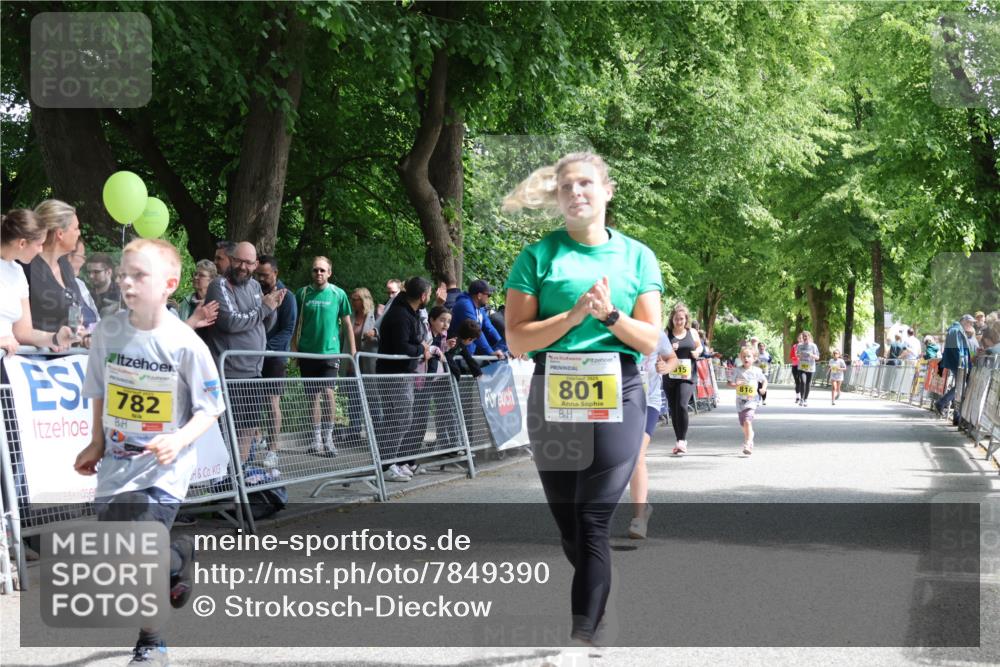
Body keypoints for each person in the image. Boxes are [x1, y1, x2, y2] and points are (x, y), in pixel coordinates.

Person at [503, 152, 663, 647]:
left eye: (587, 184)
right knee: (571, 524)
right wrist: (572, 318)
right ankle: (596, 588)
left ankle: (581, 638)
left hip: (619, 389)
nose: (577, 192)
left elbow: (650, 340)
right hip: (554, 392)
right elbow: (517, 339)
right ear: (558, 197)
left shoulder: (638, 256)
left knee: (594, 517)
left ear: (607, 191)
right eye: (567, 186)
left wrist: (611, 315)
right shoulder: (536, 257)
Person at [73, 238, 225, 667]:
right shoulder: (108, 331)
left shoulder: (184, 342)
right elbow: (101, 390)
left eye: (139, 274)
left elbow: (210, 407)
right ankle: (178, 556)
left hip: (163, 470)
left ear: (169, 284)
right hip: (116, 469)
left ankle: (151, 641)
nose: (127, 281)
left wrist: (178, 439)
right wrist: (96, 442)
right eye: (124, 273)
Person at [203, 242, 284, 463]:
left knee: (248, 430)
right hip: (230, 373)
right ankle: (223, 483)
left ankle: (238, 479)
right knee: (227, 433)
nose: (243, 267)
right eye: (239, 260)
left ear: (256, 264)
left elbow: (262, 325)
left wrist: (272, 307)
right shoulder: (219, 285)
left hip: (254, 372)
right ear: (230, 259)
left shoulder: (256, 287)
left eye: (249, 263)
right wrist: (265, 308)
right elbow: (231, 322)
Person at [293, 256, 356, 456]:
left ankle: (329, 438)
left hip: (330, 351)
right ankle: (316, 439)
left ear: (329, 272)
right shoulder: (302, 294)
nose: (318, 273)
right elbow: (295, 323)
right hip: (307, 351)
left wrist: (352, 351)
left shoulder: (338, 294)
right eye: (315, 270)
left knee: (329, 393)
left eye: (322, 270)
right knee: (313, 396)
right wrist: (293, 348)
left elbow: (347, 324)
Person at [377, 276, 432, 482]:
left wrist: (420, 347)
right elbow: (402, 347)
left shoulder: (410, 312)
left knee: (401, 420)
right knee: (398, 420)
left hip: (402, 374)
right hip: (394, 375)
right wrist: (421, 349)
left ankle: (392, 463)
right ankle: (386, 465)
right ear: (423, 296)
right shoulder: (401, 314)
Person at [0, 209, 76, 356]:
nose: (41, 250)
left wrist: (54, 338)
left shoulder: (17, 272)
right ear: (22, 243)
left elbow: (23, 332)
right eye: (39, 244)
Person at [628, 328, 677, 539]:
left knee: (637, 454)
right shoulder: (612, 326)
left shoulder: (655, 333)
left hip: (649, 401)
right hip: (618, 402)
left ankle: (639, 518)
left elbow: (672, 357)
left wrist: (666, 366)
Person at [255, 255, 297, 469]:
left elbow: (287, 330)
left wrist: (264, 348)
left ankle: (273, 448)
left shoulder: (287, 297)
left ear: (275, 273)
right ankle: (256, 438)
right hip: (253, 357)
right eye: (258, 274)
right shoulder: (254, 292)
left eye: (265, 275)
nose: (261, 279)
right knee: (251, 400)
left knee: (272, 403)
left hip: (274, 357)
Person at [24, 199, 86, 333]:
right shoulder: (26, 267)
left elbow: (75, 309)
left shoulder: (65, 265)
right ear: (60, 234)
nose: (79, 233)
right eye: (75, 228)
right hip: (34, 351)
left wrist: (80, 332)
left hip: (69, 349)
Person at [663, 302, 703, 455]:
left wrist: (697, 352)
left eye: (681, 319)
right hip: (670, 375)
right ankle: (678, 440)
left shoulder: (692, 332)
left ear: (686, 319)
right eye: (676, 319)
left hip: (687, 375)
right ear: (672, 319)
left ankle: (682, 440)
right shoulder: (666, 333)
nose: (679, 322)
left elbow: (700, 346)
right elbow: (657, 351)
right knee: (674, 408)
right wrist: (667, 350)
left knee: (681, 404)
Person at [448, 279, 508, 359]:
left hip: (471, 351)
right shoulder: (465, 305)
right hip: (459, 353)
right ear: (479, 295)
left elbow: (489, 328)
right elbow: (476, 332)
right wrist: (490, 352)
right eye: (488, 295)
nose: (489, 298)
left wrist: (502, 346)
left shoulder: (479, 307)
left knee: (506, 342)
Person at [729, 346, 767, 455]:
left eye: (749, 356)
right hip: (740, 401)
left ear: (754, 358)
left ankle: (748, 443)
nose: (746, 358)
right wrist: (735, 384)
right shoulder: (737, 370)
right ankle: (750, 436)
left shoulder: (757, 371)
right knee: (743, 424)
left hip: (752, 400)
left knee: (747, 421)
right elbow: (729, 383)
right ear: (740, 358)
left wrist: (763, 389)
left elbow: (764, 381)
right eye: (744, 356)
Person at [935, 315, 974, 421]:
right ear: (964, 321)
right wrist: (962, 364)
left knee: (960, 386)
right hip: (959, 364)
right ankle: (943, 404)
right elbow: (956, 349)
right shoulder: (956, 331)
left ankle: (955, 414)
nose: (971, 325)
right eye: (970, 323)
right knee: (960, 387)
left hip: (959, 363)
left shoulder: (957, 330)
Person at [67, 237, 100, 330]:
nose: (84, 261)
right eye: (82, 257)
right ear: (69, 256)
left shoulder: (80, 284)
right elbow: (72, 327)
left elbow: (97, 319)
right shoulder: (58, 286)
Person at [350, 287, 379, 375]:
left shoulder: (376, 316)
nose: (353, 302)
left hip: (369, 363)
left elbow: (385, 337)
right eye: (352, 299)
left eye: (356, 299)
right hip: (350, 364)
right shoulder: (350, 317)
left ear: (364, 300)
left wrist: (374, 336)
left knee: (368, 388)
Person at [85, 251, 122, 318]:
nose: (91, 276)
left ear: (108, 272)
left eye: (96, 272)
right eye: (89, 272)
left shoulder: (120, 295)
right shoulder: (86, 295)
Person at [795, 331, 820, 407]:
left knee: (808, 383)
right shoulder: (799, 345)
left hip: (810, 367)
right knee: (803, 381)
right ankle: (801, 399)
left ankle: (805, 399)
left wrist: (811, 355)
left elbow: (817, 357)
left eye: (806, 336)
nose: (805, 338)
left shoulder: (813, 346)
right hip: (802, 367)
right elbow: (797, 355)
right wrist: (800, 355)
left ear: (809, 337)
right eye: (803, 336)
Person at [790, 332, 802, 403]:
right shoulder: (795, 346)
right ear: (797, 339)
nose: (800, 339)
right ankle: (797, 396)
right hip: (795, 365)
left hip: (802, 366)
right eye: (799, 338)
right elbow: (791, 356)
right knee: (797, 382)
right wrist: (796, 358)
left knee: (802, 381)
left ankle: (802, 396)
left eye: (802, 338)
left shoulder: (806, 347)